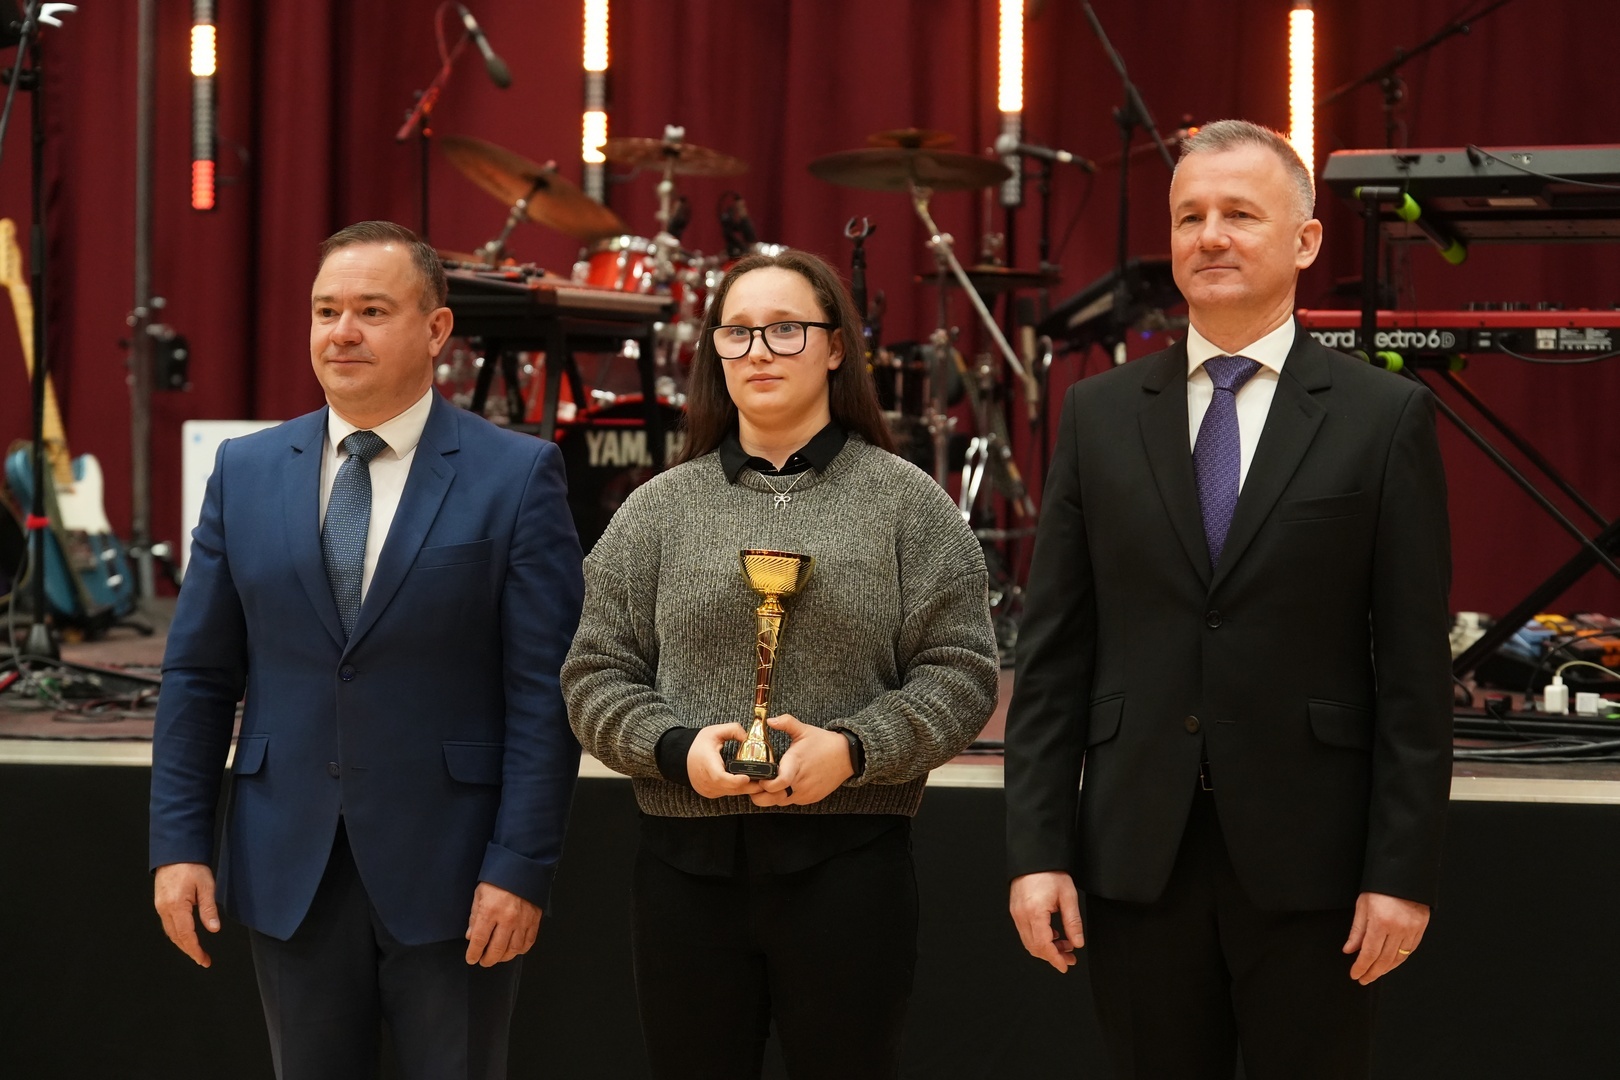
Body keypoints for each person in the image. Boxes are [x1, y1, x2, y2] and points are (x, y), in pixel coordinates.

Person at [1004, 120, 1453, 1079]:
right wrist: (1036, 851)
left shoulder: (1384, 419)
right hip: (1135, 860)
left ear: (1306, 240)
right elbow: (1052, 658)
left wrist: (1400, 873)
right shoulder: (1098, 414)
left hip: (1318, 868)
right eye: (1189, 217)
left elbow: (1416, 675)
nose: (1209, 236)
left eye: (1240, 214)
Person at [149, 220, 584, 1080]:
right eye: (326, 311)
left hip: (457, 875)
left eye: (372, 311)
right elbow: (198, 676)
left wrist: (520, 867)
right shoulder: (244, 471)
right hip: (287, 868)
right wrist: (178, 844)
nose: (342, 332)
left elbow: (544, 693)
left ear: (436, 329)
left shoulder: (517, 475)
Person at [562, 250, 999, 1080]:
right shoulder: (656, 510)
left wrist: (855, 749)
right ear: (715, 352)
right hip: (683, 870)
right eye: (738, 332)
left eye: (785, 330)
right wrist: (675, 751)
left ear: (835, 348)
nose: (759, 350)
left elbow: (962, 671)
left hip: (852, 865)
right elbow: (593, 674)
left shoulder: (908, 503)